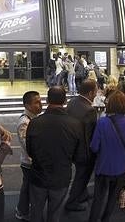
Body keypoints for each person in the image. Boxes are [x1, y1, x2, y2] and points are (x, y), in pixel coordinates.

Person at [26, 87, 84, 222]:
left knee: (36, 212)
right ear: (65, 100)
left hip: (38, 175)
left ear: (47, 100)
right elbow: (78, 154)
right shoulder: (75, 124)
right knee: (55, 213)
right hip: (61, 177)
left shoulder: (34, 123)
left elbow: (30, 150)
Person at [88, 90, 125, 222]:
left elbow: (94, 146)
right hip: (121, 168)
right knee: (112, 199)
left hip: (103, 168)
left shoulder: (102, 122)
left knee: (98, 198)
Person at [65, 80, 98, 211]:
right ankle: (72, 201)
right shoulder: (90, 110)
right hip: (84, 151)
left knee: (80, 174)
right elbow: (91, 134)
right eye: (96, 90)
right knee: (82, 176)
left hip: (72, 146)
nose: (97, 93)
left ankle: (82, 194)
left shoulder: (72, 102)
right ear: (90, 93)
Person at [15, 91, 42, 220]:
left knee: (27, 187)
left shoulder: (34, 118)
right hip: (29, 162)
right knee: (28, 188)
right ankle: (22, 211)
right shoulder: (24, 122)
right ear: (27, 105)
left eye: (40, 101)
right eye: (36, 102)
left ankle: (23, 209)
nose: (40, 105)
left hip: (33, 161)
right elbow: (27, 146)